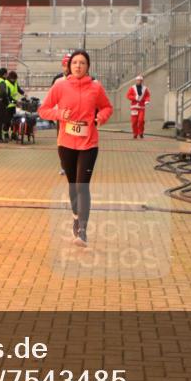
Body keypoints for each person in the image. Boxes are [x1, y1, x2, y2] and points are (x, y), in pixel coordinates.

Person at [38, 50, 113, 246]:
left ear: (88, 67)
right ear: (69, 66)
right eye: (75, 63)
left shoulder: (96, 87)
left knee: (82, 185)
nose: (78, 66)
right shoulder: (60, 86)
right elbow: (43, 110)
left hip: (89, 143)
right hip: (66, 144)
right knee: (73, 185)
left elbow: (107, 107)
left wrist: (101, 117)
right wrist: (59, 114)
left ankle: (82, 230)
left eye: (82, 63)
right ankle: (75, 216)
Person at [126, 75, 150, 139]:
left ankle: (141, 133)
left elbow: (147, 95)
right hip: (134, 107)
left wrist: (147, 101)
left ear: (142, 81)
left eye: (140, 80)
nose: (139, 81)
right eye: (138, 80)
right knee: (134, 122)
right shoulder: (132, 88)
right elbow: (128, 95)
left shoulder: (145, 88)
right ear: (136, 81)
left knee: (141, 120)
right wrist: (134, 97)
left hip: (142, 107)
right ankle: (135, 133)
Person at [5, 70, 24, 141]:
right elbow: (8, 97)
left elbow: (19, 89)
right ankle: (6, 135)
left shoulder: (15, 82)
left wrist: (23, 93)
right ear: (10, 78)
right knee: (7, 121)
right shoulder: (6, 84)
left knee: (14, 120)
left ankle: (14, 134)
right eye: (14, 79)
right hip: (7, 105)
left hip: (13, 105)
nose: (15, 80)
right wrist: (16, 102)